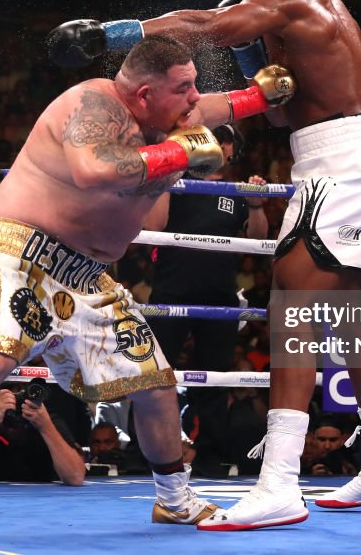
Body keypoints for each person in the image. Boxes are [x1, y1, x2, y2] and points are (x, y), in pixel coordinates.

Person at [0, 36, 293, 539]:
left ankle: (175, 500)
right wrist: (177, 151)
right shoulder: (91, 104)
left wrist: (263, 94)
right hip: (22, 250)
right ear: (144, 94)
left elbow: (223, 103)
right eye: (184, 89)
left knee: (157, 384)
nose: (195, 99)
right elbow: (93, 169)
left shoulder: (172, 110)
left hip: (86, 276)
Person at [49, 0, 361, 529]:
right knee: (349, 324)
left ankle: (279, 485)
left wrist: (118, 33)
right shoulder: (324, 11)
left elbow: (204, 26)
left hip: (343, 166)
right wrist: (253, 63)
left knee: (290, 312)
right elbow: (281, 115)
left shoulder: (290, 4)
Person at [143, 123, 269, 476]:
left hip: (219, 296)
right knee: (154, 374)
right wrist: (166, 182)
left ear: (231, 151)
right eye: (215, 139)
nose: (221, 146)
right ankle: (150, 454)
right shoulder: (176, 183)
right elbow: (153, 228)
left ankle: (211, 456)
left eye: (226, 141)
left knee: (215, 378)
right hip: (171, 291)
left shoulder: (237, 190)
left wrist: (257, 207)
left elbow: (258, 242)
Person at [0, 382, 85, 486]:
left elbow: (76, 476)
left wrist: (46, 427)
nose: (14, 412)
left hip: (42, 502)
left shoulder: (42, 416)